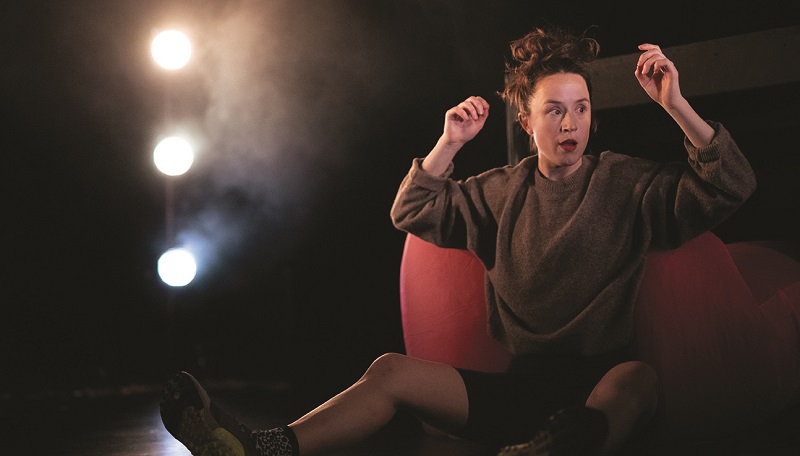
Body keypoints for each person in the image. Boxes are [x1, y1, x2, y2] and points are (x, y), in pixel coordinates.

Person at [159, 25, 756, 456]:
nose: (570, 122)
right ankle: (260, 448)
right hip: (519, 391)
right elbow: (410, 210)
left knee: (638, 379)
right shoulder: (497, 191)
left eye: (580, 108)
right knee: (389, 370)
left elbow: (731, 183)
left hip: (601, 386)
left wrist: (676, 105)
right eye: (553, 110)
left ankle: (564, 447)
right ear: (526, 121)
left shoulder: (626, 181)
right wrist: (449, 143)